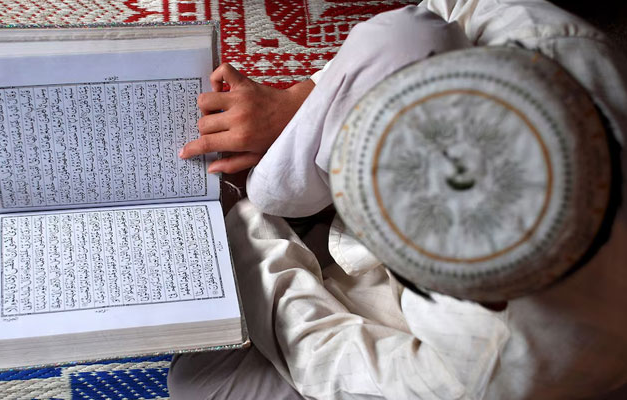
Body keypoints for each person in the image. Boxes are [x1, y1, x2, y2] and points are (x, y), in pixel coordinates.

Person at [170, 0, 627, 399]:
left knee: (203, 380)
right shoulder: (552, 43)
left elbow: (324, 355)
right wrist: (300, 102)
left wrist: (243, 221)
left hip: (429, 336)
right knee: (404, 35)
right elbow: (436, 15)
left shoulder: (490, 367)